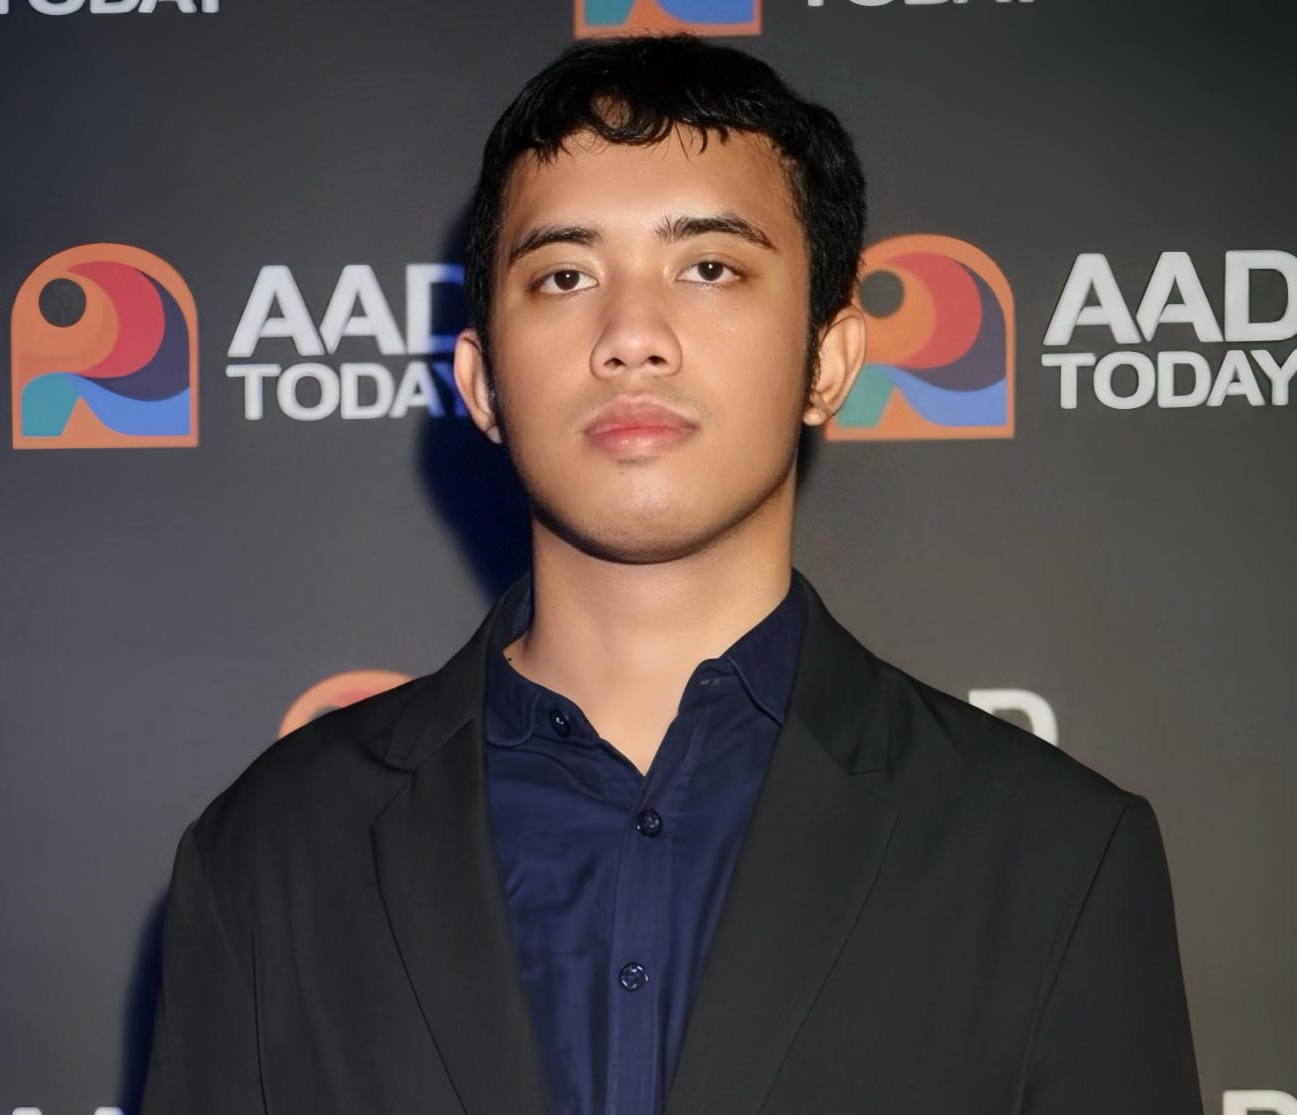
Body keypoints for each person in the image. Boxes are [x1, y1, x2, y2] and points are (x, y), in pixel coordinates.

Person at [140, 34, 1204, 1115]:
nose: (632, 336)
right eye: (564, 275)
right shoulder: (272, 852)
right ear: (481, 380)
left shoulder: (1051, 856)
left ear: (828, 360)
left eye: (710, 268)